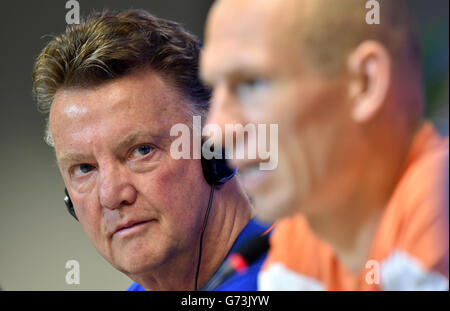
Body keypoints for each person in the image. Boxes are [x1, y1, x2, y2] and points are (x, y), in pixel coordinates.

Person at [201, 0, 449, 290]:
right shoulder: (301, 243)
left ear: (365, 82)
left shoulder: (436, 216)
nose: (215, 131)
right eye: (215, 90)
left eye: (252, 83)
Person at [32, 9, 271, 291]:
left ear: (217, 152)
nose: (111, 195)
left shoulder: (303, 276)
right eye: (84, 168)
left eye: (141, 150)